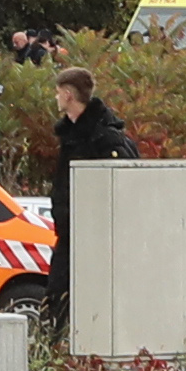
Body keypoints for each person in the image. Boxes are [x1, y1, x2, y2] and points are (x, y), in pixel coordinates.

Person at [39, 59, 135, 325]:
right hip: (70, 234)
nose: (56, 98)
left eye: (59, 92)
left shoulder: (104, 138)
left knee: (82, 303)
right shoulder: (72, 136)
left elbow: (122, 184)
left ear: (68, 95)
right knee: (57, 299)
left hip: (94, 237)